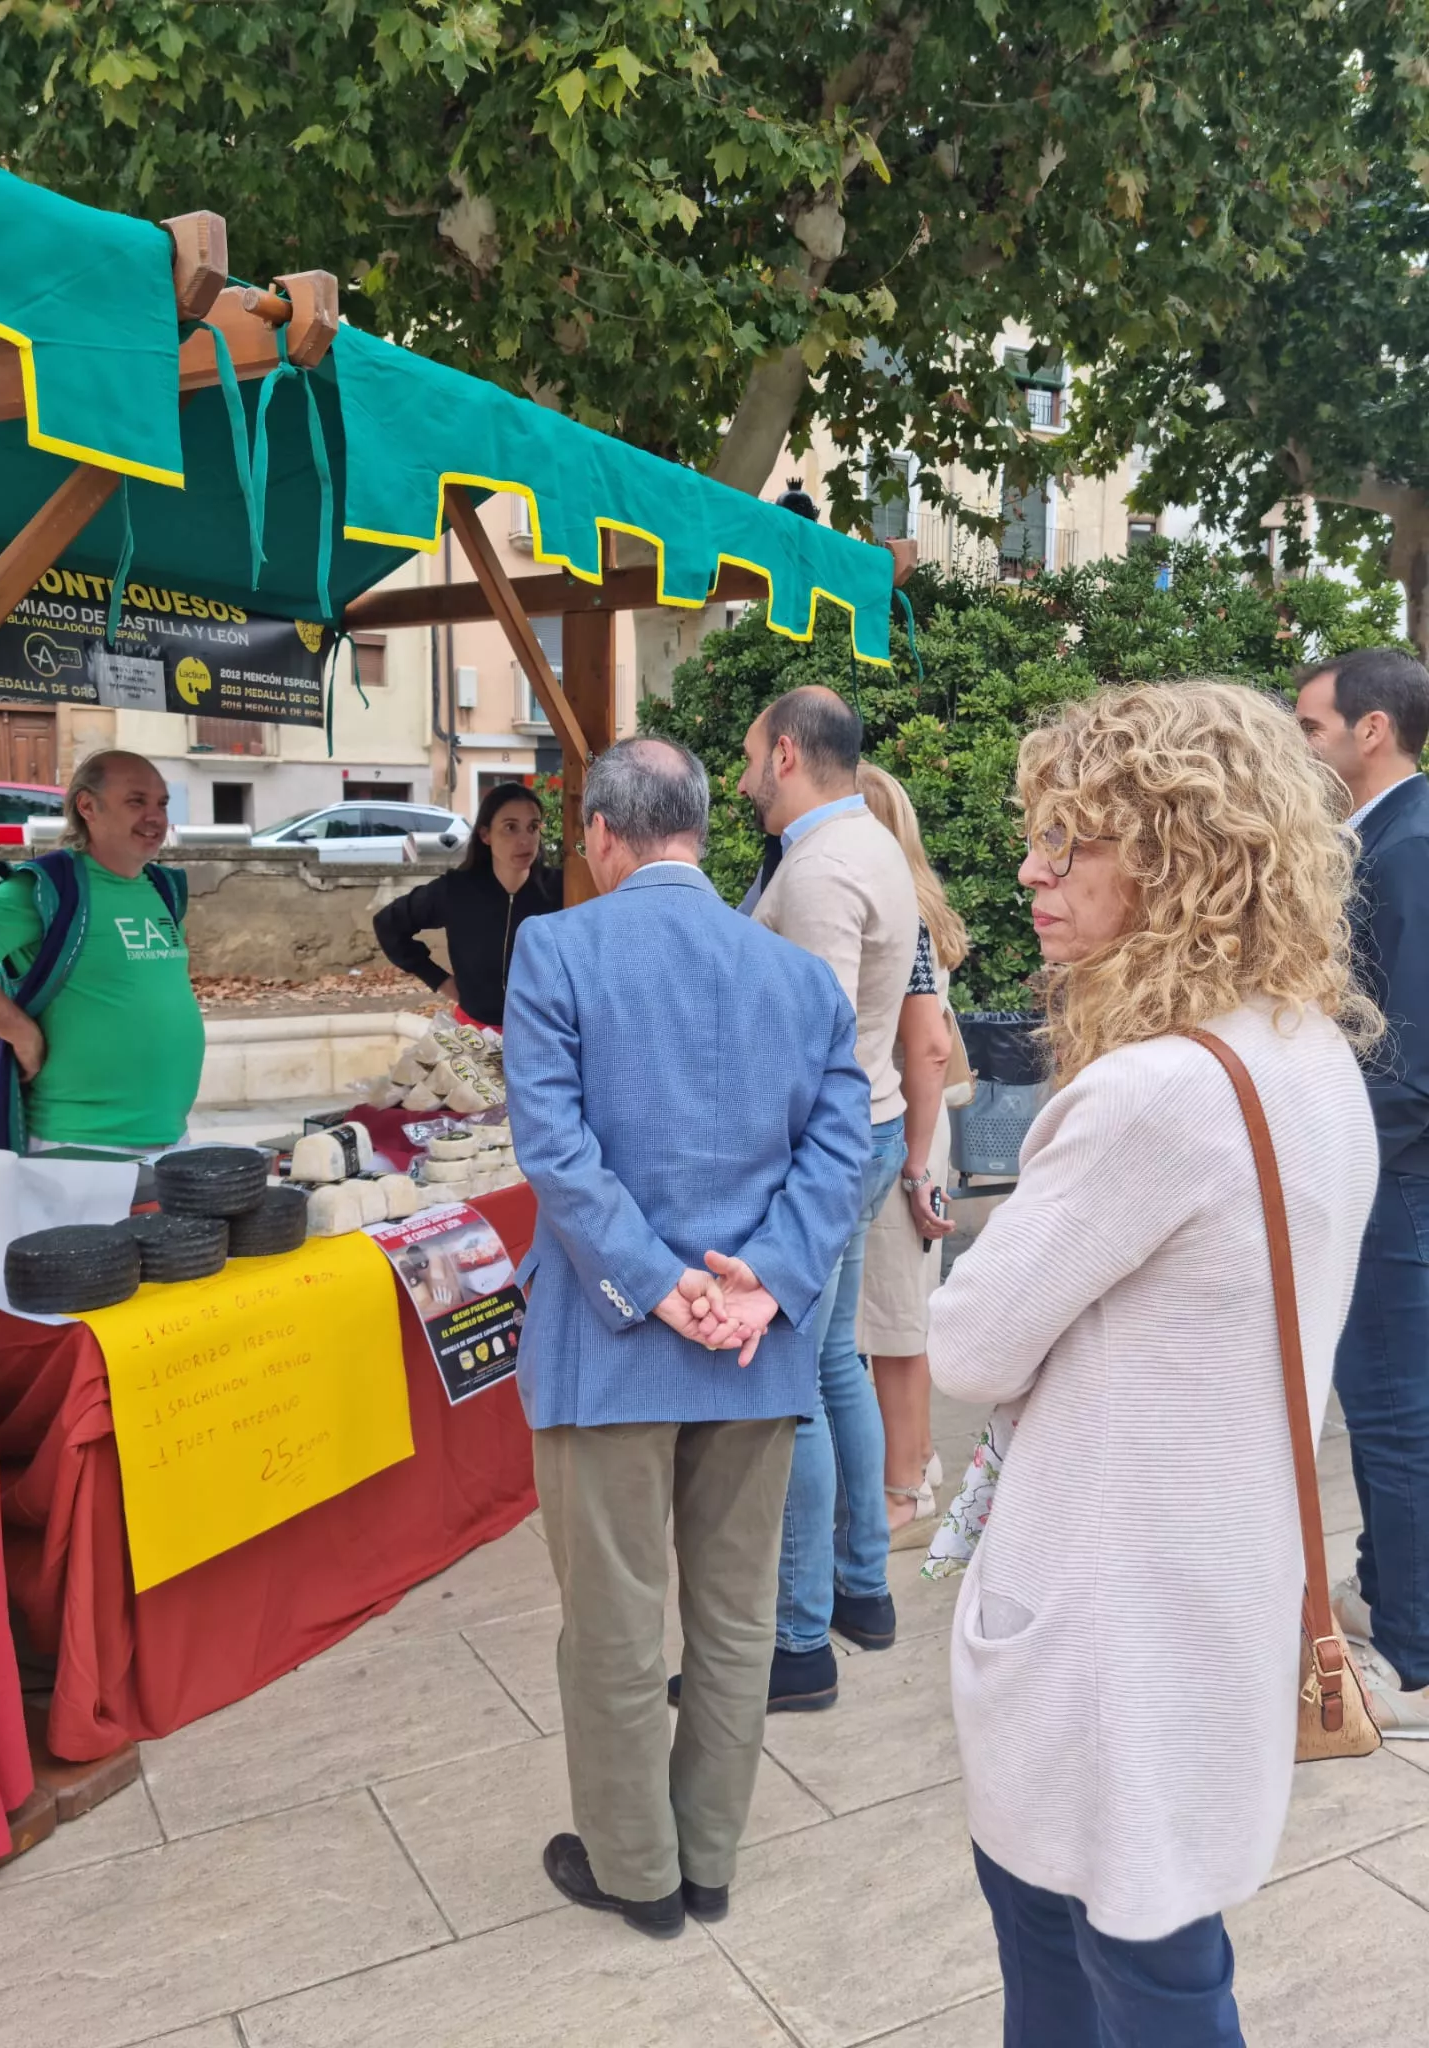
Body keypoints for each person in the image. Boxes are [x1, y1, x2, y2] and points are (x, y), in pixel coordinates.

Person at [928, 682, 1379, 2045]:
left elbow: (966, 1341)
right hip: (1219, 1579)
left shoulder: (1152, 1091)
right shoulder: (1306, 1049)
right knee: (1154, 1948)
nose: (1031, 870)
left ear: (1176, 857)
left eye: (1069, 841)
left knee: (1109, 1965)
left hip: (1109, 1621)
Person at [503, 736, 868, 1940]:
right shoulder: (797, 976)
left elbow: (555, 1149)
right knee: (735, 1617)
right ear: (702, 827)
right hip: (751, 1349)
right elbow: (841, 1147)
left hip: (609, 1344)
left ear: (603, 833)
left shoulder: (556, 948)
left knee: (613, 1624)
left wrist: (660, 1287)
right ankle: (706, 1857)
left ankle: (637, 1871)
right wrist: (763, 1287)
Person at [737, 685, 919, 1705]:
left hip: (827, 1145)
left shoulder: (819, 869)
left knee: (794, 1386)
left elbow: (811, 1045)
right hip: (870, 1129)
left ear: (787, 755)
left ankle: (799, 1642)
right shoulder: (866, 843)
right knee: (838, 1364)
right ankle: (862, 1590)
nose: (741, 780)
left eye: (749, 757)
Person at [1295, 646, 1429, 1733]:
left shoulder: (1410, 845)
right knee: (1387, 1408)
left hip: (1394, 1180)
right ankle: (1390, 1593)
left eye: (1311, 727)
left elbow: (1411, 1061)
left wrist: (1331, 1149)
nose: (1301, 747)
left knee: (1391, 1414)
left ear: (1369, 730)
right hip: (1382, 1172)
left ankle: (1413, 1651)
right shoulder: (1382, 837)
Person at [0, 750, 202, 1155]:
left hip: (170, 1137)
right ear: (87, 806)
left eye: (162, 804)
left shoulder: (164, 890)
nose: (155, 817)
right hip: (79, 1146)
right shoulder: (49, 888)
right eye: (136, 801)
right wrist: (20, 1032)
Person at [853, 762, 969, 1540]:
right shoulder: (921, 909)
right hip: (919, 1129)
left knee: (895, 1320)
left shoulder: (898, 918)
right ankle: (919, 1459)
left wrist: (914, 1167)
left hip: (906, 1132)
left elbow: (926, 1050)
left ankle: (904, 1489)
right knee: (905, 1311)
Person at [373, 782, 562, 1029]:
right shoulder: (457, 890)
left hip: (543, 1033)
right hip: (476, 1032)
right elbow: (388, 923)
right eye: (510, 827)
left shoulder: (561, 890)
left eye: (533, 827)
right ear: (485, 835)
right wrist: (440, 980)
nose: (525, 840)